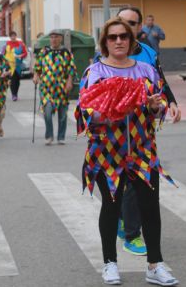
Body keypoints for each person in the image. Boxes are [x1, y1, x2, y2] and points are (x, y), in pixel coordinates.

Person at [76, 17, 178, 286]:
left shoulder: (146, 70)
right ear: (105, 42)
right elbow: (84, 111)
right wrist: (107, 113)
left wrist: (156, 106)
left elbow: (159, 108)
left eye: (123, 36)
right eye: (113, 37)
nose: (119, 41)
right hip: (106, 152)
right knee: (111, 208)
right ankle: (110, 263)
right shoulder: (95, 72)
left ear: (132, 41)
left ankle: (154, 265)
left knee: (150, 208)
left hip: (143, 150)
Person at [115, 7, 182, 256]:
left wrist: (172, 102)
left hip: (143, 128)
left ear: (140, 27)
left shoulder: (149, 53)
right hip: (115, 130)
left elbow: (160, 82)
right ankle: (124, 220)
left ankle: (132, 234)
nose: (125, 27)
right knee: (120, 178)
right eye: (121, 22)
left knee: (137, 178)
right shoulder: (106, 54)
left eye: (131, 23)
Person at [33, 29, 77, 146]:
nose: (54, 39)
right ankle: (49, 135)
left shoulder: (66, 53)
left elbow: (72, 69)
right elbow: (37, 67)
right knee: (47, 111)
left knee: (62, 115)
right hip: (46, 88)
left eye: (56, 37)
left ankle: (61, 137)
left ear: (61, 39)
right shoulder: (44, 51)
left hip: (61, 88)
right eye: (52, 37)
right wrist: (36, 76)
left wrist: (69, 81)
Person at [4, 31, 28, 101]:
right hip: (10, 65)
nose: (13, 37)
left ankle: (16, 93)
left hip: (18, 65)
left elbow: (25, 53)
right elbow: (3, 53)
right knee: (12, 79)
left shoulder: (21, 44)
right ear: (10, 37)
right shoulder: (7, 44)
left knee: (17, 80)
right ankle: (13, 94)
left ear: (16, 36)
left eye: (14, 36)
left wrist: (20, 55)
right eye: (11, 36)